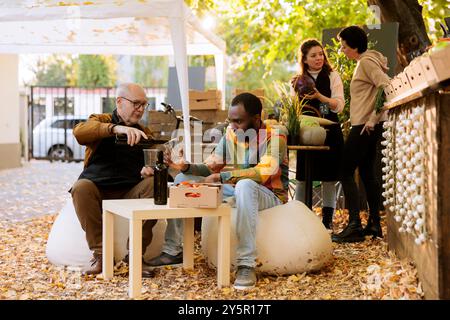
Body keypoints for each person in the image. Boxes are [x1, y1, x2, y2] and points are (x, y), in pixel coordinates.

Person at [147, 93, 289, 290]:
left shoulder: (276, 136)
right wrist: (186, 167)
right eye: (231, 121)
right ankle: (173, 250)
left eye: (238, 121)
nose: (233, 126)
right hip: (237, 189)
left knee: (245, 185)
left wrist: (222, 178)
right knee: (182, 179)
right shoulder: (232, 133)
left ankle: (246, 264)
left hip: (270, 194)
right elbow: (210, 167)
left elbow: (263, 173)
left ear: (257, 119)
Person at [70, 83, 157, 275]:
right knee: (80, 187)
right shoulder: (101, 120)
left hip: (128, 192)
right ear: (119, 101)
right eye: (136, 103)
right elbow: (79, 132)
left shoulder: (145, 132)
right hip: (98, 190)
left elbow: (153, 165)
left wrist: (149, 169)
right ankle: (102, 256)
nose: (141, 109)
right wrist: (116, 129)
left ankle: (134, 256)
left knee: (155, 185)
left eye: (144, 104)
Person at [332, 26, 390, 243]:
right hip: (366, 125)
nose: (342, 50)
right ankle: (374, 224)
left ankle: (354, 225)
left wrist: (373, 118)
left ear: (355, 46)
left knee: (344, 170)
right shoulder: (366, 62)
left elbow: (386, 86)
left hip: (364, 126)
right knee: (366, 173)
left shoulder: (366, 62)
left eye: (344, 46)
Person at [291, 39, 345, 229]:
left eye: (320, 54)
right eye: (313, 55)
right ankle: (301, 220)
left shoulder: (332, 76)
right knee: (303, 178)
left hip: (330, 132)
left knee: (328, 179)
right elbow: (293, 109)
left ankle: (327, 223)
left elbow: (339, 106)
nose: (318, 58)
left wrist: (319, 96)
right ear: (304, 59)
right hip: (307, 134)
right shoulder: (297, 81)